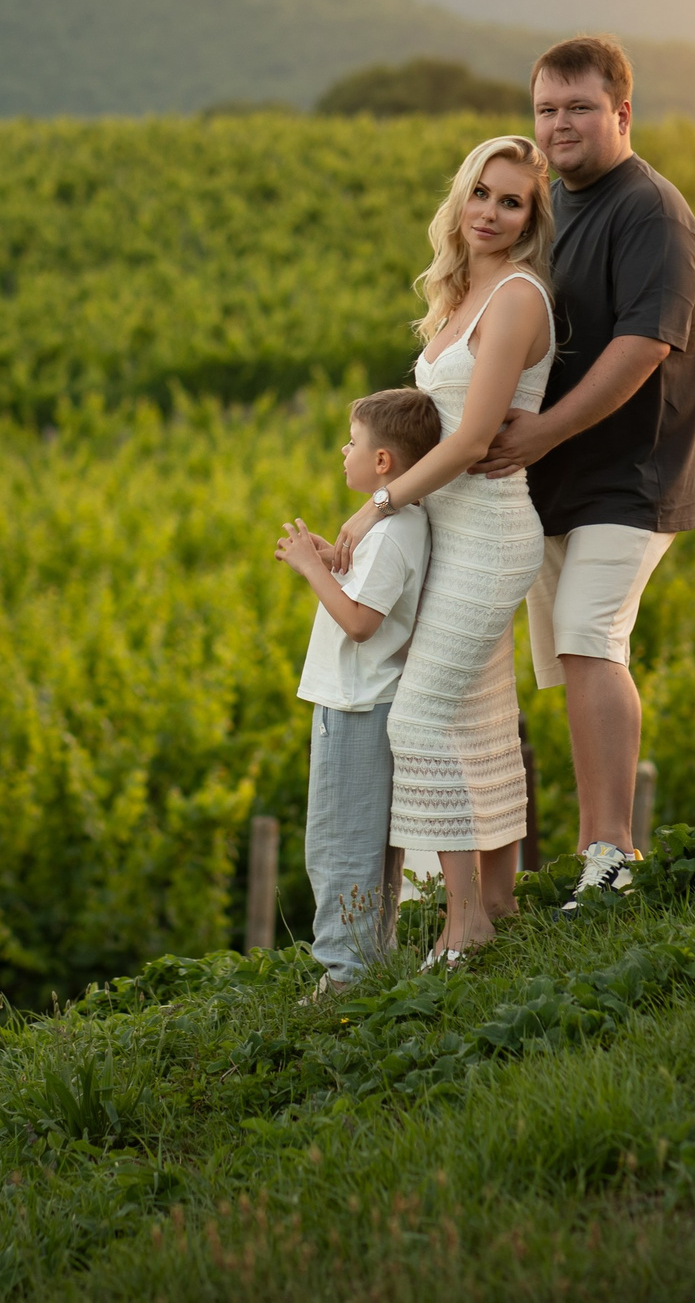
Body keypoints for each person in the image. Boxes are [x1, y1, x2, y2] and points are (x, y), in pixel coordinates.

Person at [470, 36, 695, 905]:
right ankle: (587, 856)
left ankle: (612, 853)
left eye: (577, 107)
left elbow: (642, 347)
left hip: (629, 477)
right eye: (545, 108)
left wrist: (540, 434)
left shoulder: (652, 212)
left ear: (622, 113)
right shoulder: (552, 209)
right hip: (554, 483)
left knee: (588, 636)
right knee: (567, 661)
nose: (558, 124)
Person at [332, 135, 556, 966]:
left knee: (420, 719)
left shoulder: (519, 298)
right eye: (482, 194)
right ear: (461, 198)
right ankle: (494, 905)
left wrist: (375, 507)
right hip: (450, 535)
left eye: (512, 202)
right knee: (478, 718)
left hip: (491, 533)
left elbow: (466, 442)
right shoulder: (463, 291)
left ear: (532, 218)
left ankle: (463, 925)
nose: (491, 213)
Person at [272, 388, 440, 995]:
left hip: (355, 702)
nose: (344, 450)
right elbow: (371, 598)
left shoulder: (394, 530)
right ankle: (366, 964)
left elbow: (362, 624)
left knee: (340, 845)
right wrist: (334, 560)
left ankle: (345, 978)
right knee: (361, 844)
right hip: (361, 700)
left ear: (383, 463)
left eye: (353, 441)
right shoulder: (396, 524)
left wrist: (313, 571)